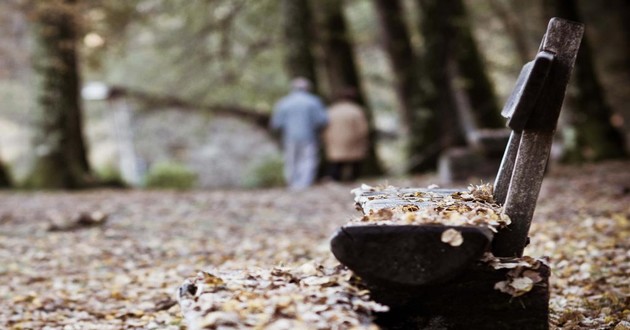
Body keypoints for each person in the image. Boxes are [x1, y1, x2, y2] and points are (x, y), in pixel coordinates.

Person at [270, 77, 328, 190]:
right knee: (308, 159)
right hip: (309, 136)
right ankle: (304, 184)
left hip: (289, 137)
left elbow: (276, 123)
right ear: (307, 88)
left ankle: (292, 183)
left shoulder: (284, 102)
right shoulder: (313, 101)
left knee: (291, 160)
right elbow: (322, 120)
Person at [323, 88, 369, 182]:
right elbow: (363, 128)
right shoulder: (356, 110)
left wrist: (326, 137)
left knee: (337, 159)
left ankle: (335, 178)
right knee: (355, 159)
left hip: (334, 139)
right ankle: (352, 178)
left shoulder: (332, 110)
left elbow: (325, 126)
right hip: (353, 138)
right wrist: (362, 138)